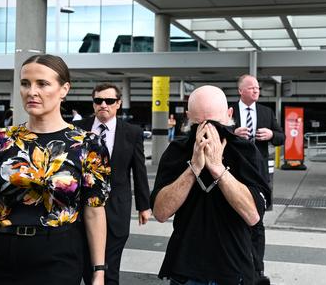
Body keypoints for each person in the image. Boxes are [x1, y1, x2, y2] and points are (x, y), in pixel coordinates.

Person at [0, 54, 110, 285]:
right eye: (25, 83)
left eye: (42, 84)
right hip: (1, 254)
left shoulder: (87, 144)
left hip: (59, 256)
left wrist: (99, 272)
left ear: (64, 89)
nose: (31, 91)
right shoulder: (1, 140)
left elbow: (94, 211)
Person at [151, 85, 270, 285]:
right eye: (200, 123)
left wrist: (218, 168)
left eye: (214, 123)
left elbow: (253, 215)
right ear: (189, 117)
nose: (207, 130)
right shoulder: (177, 151)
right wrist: (193, 169)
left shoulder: (245, 152)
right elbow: (161, 212)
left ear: (229, 114)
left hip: (234, 268)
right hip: (187, 269)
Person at [78, 83, 152, 285]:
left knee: (110, 268)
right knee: (85, 264)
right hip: (82, 208)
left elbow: (139, 170)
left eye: (109, 101)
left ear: (118, 103)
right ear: (93, 104)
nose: (103, 104)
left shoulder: (132, 132)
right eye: (98, 100)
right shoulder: (77, 129)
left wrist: (144, 205)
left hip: (116, 207)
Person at [232, 74, 284, 285]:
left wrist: (272, 134)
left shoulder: (266, 112)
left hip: (258, 174)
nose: (256, 90)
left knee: (257, 222)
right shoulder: (229, 111)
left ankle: (257, 270)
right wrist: (232, 132)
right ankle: (235, 265)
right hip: (234, 172)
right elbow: (217, 133)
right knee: (235, 220)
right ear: (240, 91)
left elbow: (282, 137)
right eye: (251, 87)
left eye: (257, 87)